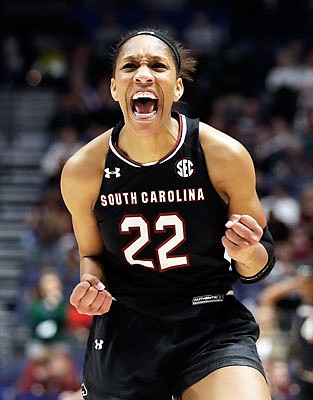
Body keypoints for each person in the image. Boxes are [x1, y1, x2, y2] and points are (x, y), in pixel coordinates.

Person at [60, 28, 276, 400]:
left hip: (208, 322)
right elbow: (92, 256)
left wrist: (246, 253)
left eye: (157, 65)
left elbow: (260, 265)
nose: (143, 74)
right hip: (126, 328)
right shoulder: (83, 170)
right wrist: (91, 286)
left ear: (176, 88)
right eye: (130, 66)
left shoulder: (224, 155)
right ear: (114, 88)